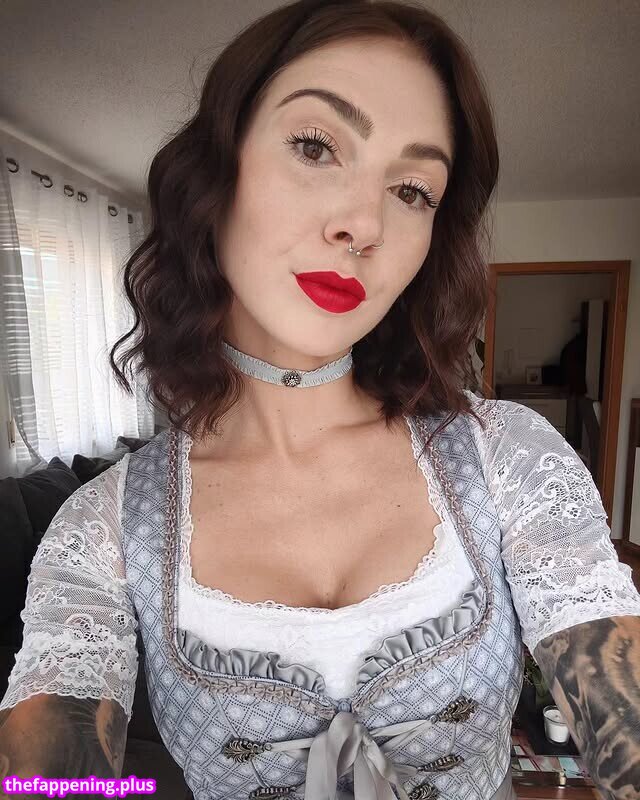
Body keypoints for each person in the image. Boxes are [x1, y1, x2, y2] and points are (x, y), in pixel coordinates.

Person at [2, 0, 640, 798]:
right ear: (216, 173)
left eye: (413, 190)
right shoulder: (101, 530)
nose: (364, 223)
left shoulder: (507, 457)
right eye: (315, 146)